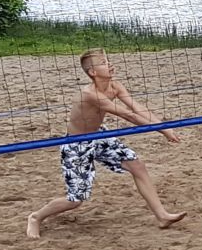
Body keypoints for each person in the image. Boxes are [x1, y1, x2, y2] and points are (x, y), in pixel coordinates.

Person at [25, 48, 184, 239]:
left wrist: (165, 127)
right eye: (103, 63)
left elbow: (137, 108)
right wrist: (163, 131)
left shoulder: (115, 86)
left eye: (107, 60)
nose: (109, 64)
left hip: (99, 135)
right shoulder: (89, 94)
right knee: (75, 200)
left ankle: (162, 216)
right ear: (93, 72)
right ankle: (36, 217)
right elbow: (128, 115)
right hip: (76, 144)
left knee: (137, 166)